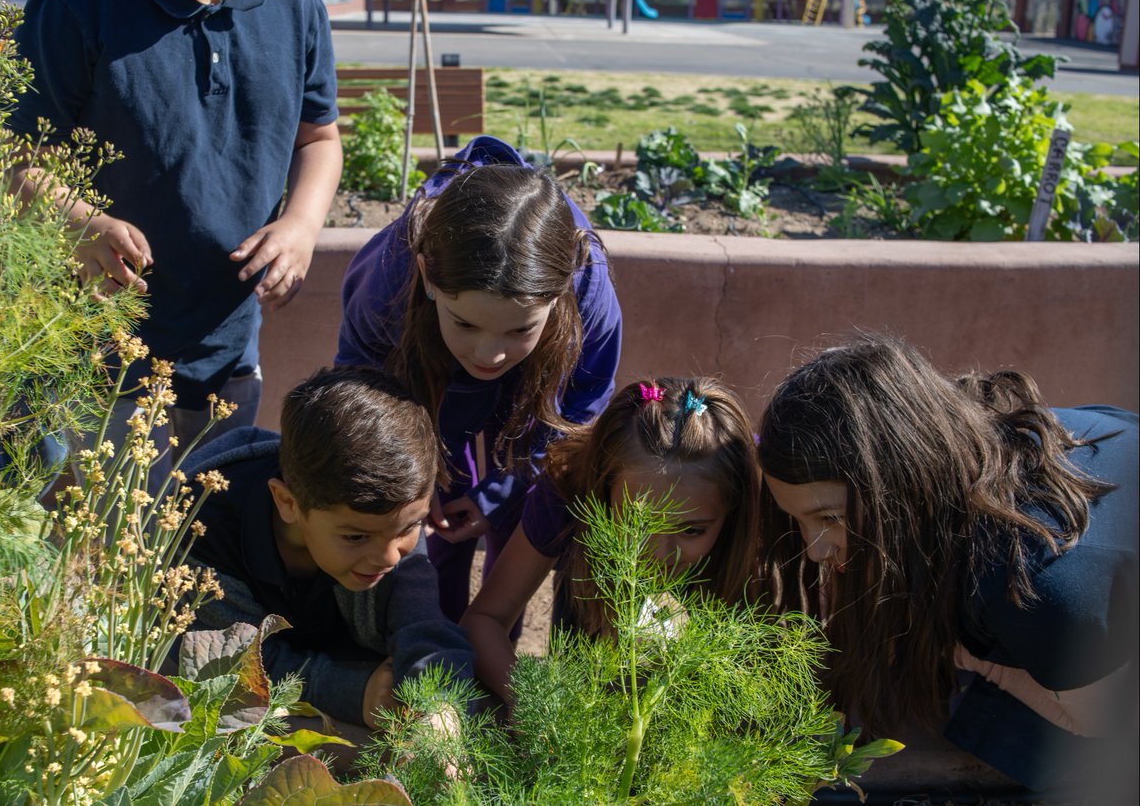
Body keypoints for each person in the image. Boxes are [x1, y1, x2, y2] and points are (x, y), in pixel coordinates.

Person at [8, 0, 343, 456]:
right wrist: (77, 220)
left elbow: (319, 140)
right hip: (104, 345)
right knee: (118, 527)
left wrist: (302, 225)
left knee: (211, 524)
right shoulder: (74, 8)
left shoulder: (296, 6)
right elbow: (17, 160)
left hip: (230, 339)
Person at [755, 333, 1138, 793]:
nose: (815, 550)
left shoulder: (1029, 582)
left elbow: (1104, 720)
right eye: (797, 519)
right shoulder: (981, 436)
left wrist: (974, 658)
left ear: (906, 476)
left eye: (831, 518)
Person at [334, 135, 622, 631]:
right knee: (436, 534)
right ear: (427, 275)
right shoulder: (387, 279)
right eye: (465, 323)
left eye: (519, 328)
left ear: (561, 292)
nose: (489, 354)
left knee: (521, 515)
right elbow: (363, 397)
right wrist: (420, 481)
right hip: (424, 382)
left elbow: (580, 408)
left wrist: (504, 490)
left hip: (534, 394)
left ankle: (495, 648)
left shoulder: (589, 286)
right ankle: (430, 645)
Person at [182, 366, 475, 734]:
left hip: (333, 658)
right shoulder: (204, 535)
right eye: (355, 538)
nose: (390, 557)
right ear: (287, 503)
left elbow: (423, 624)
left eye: (410, 528)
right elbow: (232, 663)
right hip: (227, 681)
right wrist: (356, 692)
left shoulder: (387, 520)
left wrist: (441, 704)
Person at [461, 377, 762, 705]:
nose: (658, 554)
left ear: (734, 508)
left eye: (691, 530)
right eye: (636, 524)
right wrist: (538, 705)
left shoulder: (761, 495)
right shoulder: (567, 489)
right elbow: (483, 620)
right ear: (601, 491)